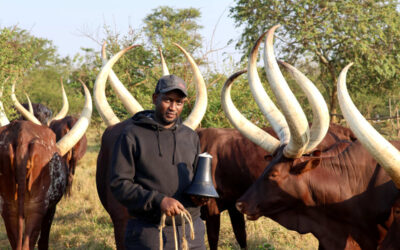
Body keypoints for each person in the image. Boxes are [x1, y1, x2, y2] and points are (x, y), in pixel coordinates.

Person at [110, 74, 207, 250]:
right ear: (155, 98)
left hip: (191, 232)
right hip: (149, 232)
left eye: (179, 102)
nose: (173, 107)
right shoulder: (132, 134)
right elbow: (119, 184)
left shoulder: (191, 137)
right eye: (168, 100)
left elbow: (195, 179)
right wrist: (159, 201)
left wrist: (201, 194)